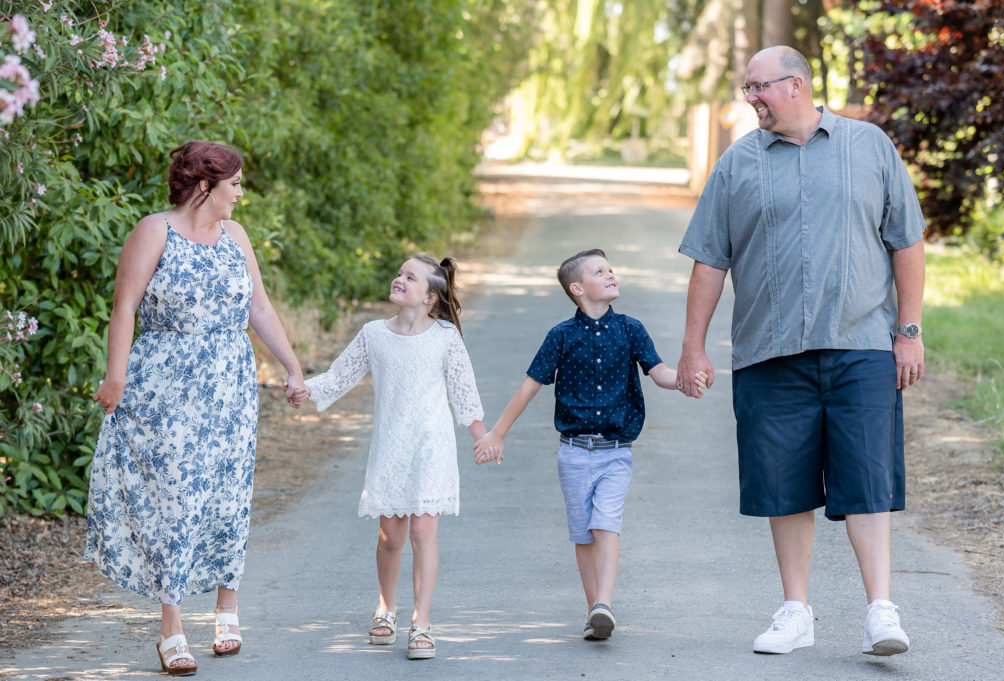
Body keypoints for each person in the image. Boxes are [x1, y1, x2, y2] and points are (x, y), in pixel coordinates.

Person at [676, 46, 926, 657]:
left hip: (862, 343)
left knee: (867, 478)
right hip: (769, 350)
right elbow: (710, 257)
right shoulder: (737, 164)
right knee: (782, 485)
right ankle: (796, 611)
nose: (752, 99)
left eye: (759, 87)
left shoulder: (869, 146)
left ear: (796, 84)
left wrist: (909, 330)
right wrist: (693, 348)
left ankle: (880, 610)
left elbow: (907, 241)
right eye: (746, 89)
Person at [86, 140, 310, 676]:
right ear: (205, 185)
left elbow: (259, 305)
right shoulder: (153, 230)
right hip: (165, 387)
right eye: (234, 184)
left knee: (229, 493)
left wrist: (292, 366)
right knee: (175, 499)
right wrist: (116, 375)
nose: (240, 194)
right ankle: (172, 627)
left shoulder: (235, 235)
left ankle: (227, 611)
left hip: (229, 387)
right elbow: (125, 307)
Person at [473, 249, 701, 640]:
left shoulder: (630, 329)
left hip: (616, 452)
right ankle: (594, 611)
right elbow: (530, 386)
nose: (611, 275)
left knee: (605, 524)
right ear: (577, 288)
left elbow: (657, 371)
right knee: (582, 533)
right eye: (600, 271)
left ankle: (604, 603)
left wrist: (682, 379)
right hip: (574, 452)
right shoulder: (561, 336)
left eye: (611, 269)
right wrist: (496, 433)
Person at [297, 255, 491, 660]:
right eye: (400, 273)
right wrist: (306, 390)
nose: (398, 279)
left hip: (431, 448)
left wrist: (482, 437)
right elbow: (338, 377)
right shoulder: (373, 334)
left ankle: (422, 623)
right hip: (391, 448)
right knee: (391, 538)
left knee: (423, 536)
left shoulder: (444, 337)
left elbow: (464, 391)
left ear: (431, 298)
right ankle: (387, 607)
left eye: (410, 277)